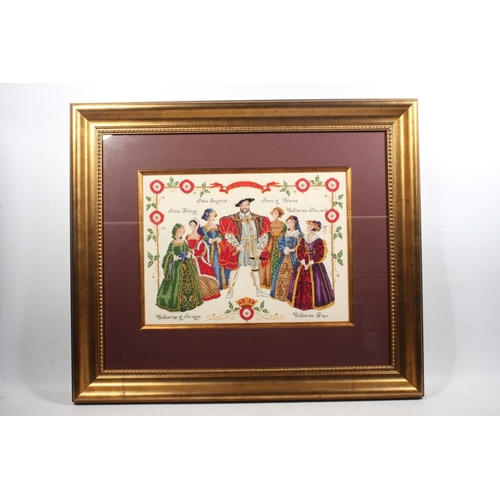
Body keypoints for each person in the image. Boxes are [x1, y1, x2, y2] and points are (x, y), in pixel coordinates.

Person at [218, 198, 271, 298]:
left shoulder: (258, 218)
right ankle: (230, 290)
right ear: (240, 206)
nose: (244, 207)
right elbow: (229, 234)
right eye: (242, 205)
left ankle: (259, 291)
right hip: (241, 246)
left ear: (249, 205)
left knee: (255, 268)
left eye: (246, 205)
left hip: (254, 246)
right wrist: (237, 245)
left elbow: (264, 235)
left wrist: (260, 248)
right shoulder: (232, 219)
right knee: (235, 268)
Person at [287, 220, 335, 310]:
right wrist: (302, 261)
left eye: (309, 227)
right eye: (307, 227)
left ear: (313, 228)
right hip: (302, 262)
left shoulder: (318, 240)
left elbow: (320, 253)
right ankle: (301, 303)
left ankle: (316, 303)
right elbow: (300, 250)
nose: (307, 228)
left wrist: (310, 262)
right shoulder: (303, 238)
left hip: (314, 264)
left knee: (317, 282)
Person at [156, 223, 203, 312]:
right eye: (179, 232)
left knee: (190, 282)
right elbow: (168, 254)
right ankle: (175, 303)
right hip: (176, 266)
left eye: (182, 232)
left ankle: (190, 302)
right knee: (175, 284)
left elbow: (188, 250)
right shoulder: (172, 243)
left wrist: (189, 254)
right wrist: (173, 257)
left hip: (186, 264)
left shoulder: (184, 242)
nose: (180, 233)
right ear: (175, 232)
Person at [186, 219, 221, 301]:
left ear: (197, 226)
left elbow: (202, 249)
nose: (193, 227)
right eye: (191, 225)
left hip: (197, 259)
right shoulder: (187, 236)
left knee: (201, 275)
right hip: (188, 259)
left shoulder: (199, 237)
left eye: (194, 225)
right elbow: (185, 247)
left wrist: (192, 253)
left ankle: (204, 294)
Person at [270, 215, 303, 302]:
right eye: (288, 222)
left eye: (291, 222)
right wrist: (284, 249)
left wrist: (293, 250)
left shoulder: (299, 234)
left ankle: (291, 296)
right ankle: (280, 294)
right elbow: (280, 243)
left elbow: (301, 246)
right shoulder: (285, 234)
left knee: (293, 275)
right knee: (281, 275)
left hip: (294, 257)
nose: (289, 224)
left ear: (295, 223)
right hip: (284, 256)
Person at [198, 208, 226, 289]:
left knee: (219, 265)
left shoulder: (218, 226)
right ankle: (211, 286)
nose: (213, 217)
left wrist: (219, 238)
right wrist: (212, 240)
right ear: (207, 216)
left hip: (219, 248)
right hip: (209, 249)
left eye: (214, 215)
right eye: (211, 215)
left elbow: (222, 235)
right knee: (210, 265)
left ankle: (220, 285)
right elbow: (205, 238)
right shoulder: (203, 228)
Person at [259, 206, 286, 289]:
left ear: (279, 214)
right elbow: (265, 235)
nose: (275, 215)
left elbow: (285, 235)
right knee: (268, 261)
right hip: (270, 244)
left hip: (280, 243)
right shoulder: (269, 224)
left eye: (277, 213)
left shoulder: (283, 224)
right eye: (274, 213)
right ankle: (268, 282)